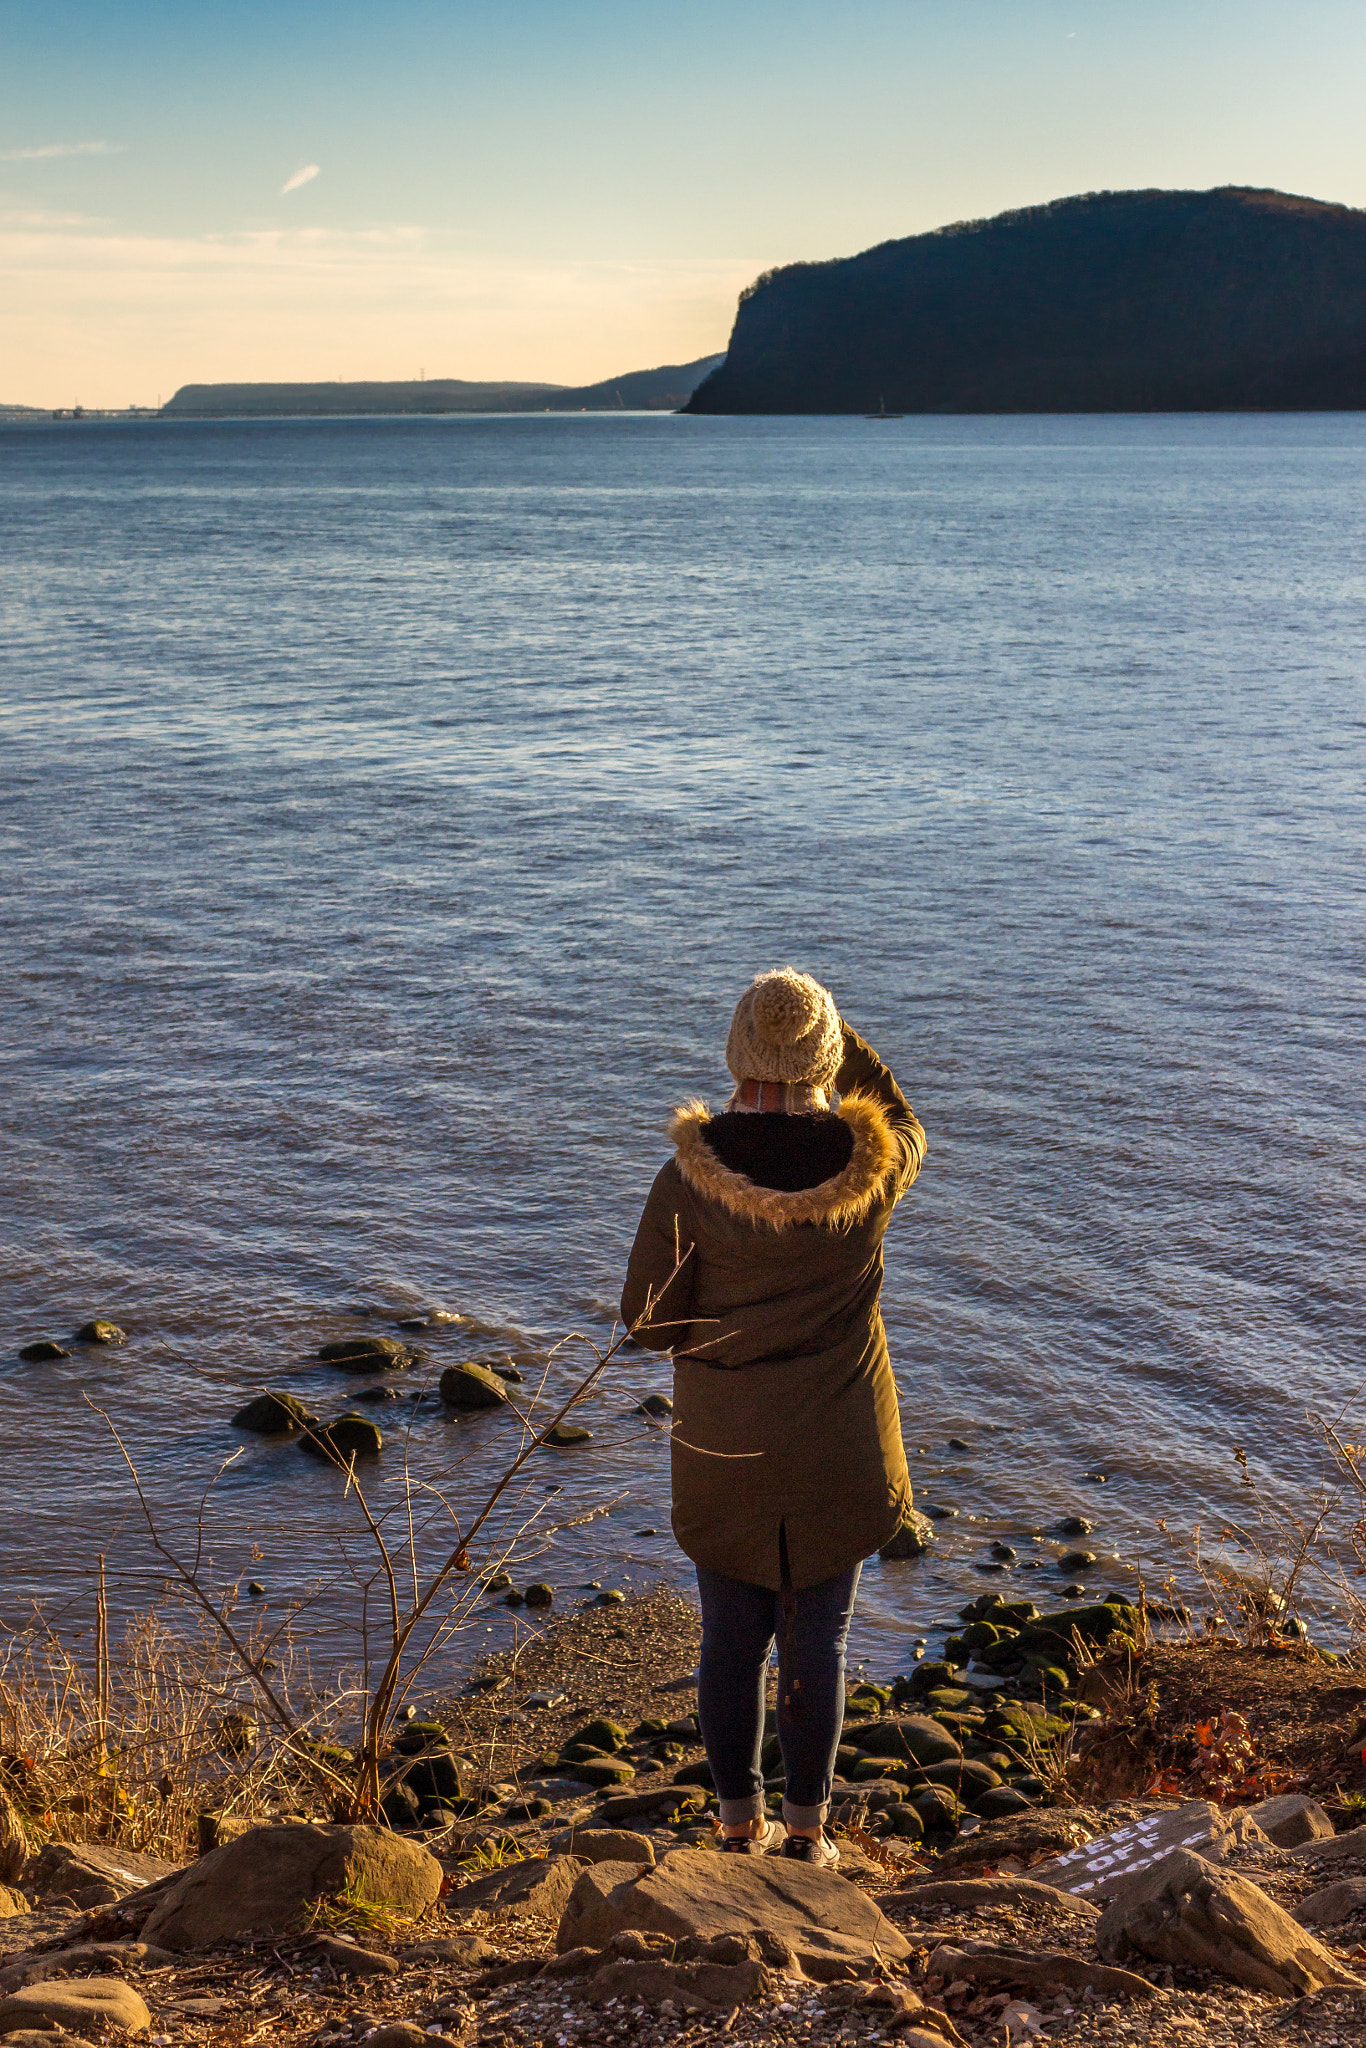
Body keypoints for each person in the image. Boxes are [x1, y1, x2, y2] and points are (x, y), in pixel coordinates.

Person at [622, 967, 926, 1865]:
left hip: (729, 1443)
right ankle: (806, 1837)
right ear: (830, 1058)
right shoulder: (871, 1170)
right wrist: (834, 1035)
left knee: (731, 1639)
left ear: (733, 1053)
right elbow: (904, 1119)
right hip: (840, 1444)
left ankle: (733, 1828)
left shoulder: (690, 1178)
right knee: (818, 1640)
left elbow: (647, 1323)